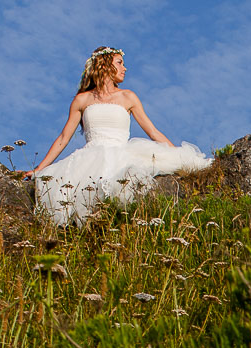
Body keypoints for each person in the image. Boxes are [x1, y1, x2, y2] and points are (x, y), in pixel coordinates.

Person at [24, 46, 212, 225]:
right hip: (90, 158)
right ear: (104, 65)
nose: (125, 68)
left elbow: (153, 131)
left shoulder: (128, 97)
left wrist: (177, 154)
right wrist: (39, 169)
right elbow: (64, 137)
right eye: (120, 62)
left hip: (122, 152)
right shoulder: (82, 100)